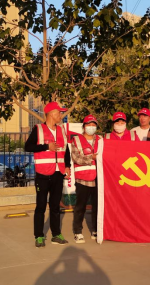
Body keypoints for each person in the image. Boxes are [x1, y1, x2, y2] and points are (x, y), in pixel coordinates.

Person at [25, 101, 71, 248]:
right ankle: (39, 236)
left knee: (55, 206)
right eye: (59, 113)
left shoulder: (62, 130)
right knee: (41, 206)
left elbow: (66, 150)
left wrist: (68, 166)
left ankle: (56, 234)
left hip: (58, 173)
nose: (61, 115)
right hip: (43, 174)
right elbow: (27, 146)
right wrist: (47, 146)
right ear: (51, 114)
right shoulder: (38, 129)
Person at [71, 115, 101, 244]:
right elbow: (76, 158)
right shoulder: (76, 140)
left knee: (97, 207)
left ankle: (96, 230)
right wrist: (91, 158)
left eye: (94, 125)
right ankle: (78, 231)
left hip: (98, 179)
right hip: (82, 179)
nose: (91, 127)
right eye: (89, 125)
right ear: (84, 126)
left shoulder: (100, 140)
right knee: (80, 207)